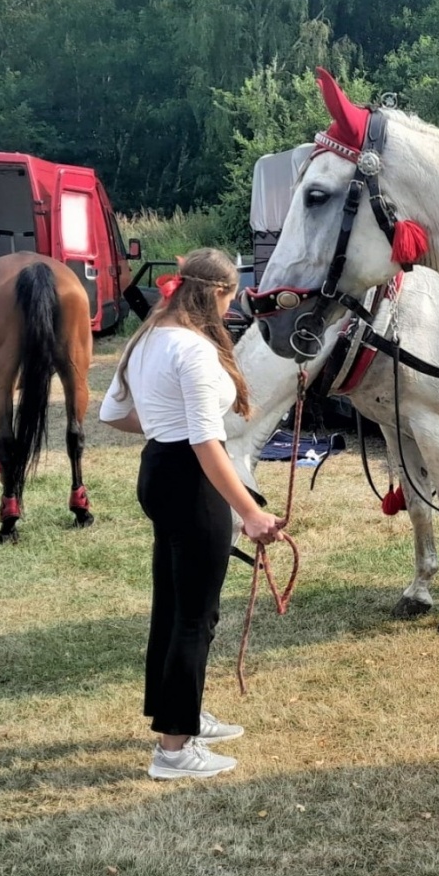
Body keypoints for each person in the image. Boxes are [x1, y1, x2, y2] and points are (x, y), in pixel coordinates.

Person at [99, 248, 286, 780]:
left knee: (175, 603)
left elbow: (113, 413)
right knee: (194, 615)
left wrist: (163, 423)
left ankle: (181, 714)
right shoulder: (196, 351)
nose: (230, 311)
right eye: (229, 299)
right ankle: (174, 749)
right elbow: (207, 442)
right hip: (191, 477)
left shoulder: (147, 337)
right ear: (216, 293)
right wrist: (249, 512)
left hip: (160, 468)